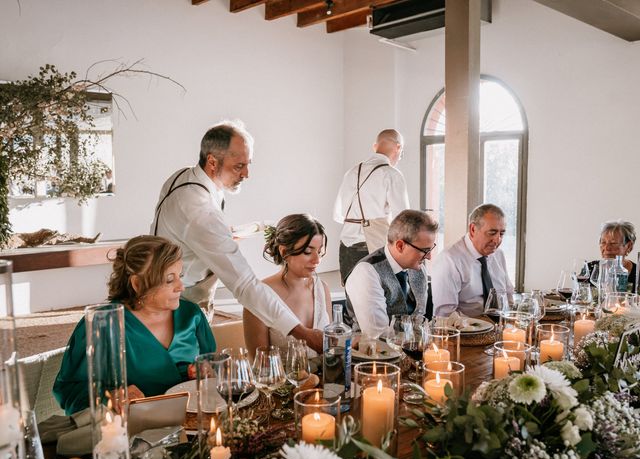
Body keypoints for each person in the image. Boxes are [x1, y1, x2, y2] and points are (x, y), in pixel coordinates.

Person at [150, 120, 322, 352]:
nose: (247, 174)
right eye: (239, 166)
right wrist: (303, 333)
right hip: (178, 305)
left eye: (248, 164)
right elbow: (245, 285)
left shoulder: (183, 177)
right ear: (212, 161)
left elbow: (186, 233)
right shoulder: (199, 209)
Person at [53, 235, 216, 415]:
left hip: (198, 421)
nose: (181, 286)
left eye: (180, 275)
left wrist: (207, 372)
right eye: (170, 279)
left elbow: (213, 366)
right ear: (137, 284)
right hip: (135, 431)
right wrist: (109, 397)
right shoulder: (103, 323)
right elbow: (68, 392)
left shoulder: (192, 315)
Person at [243, 214, 331, 358]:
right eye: (308, 252)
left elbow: (329, 352)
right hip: (280, 380)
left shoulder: (322, 289)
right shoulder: (259, 295)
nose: (317, 260)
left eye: (319, 251)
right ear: (284, 252)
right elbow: (259, 366)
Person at [333, 129, 410, 285]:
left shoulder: (351, 172)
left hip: (347, 245)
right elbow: (403, 219)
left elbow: (339, 213)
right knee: (385, 296)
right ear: (398, 147)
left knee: (353, 297)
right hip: (375, 244)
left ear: (375, 147)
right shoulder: (391, 174)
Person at [345, 210, 437, 339]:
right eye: (425, 250)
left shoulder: (418, 268)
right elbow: (377, 334)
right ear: (400, 246)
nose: (429, 257)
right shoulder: (366, 272)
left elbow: (419, 319)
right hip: (370, 354)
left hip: (410, 350)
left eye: (431, 249)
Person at [432, 204, 514, 318]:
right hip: (466, 331)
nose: (497, 240)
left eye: (502, 233)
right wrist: (481, 326)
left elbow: (509, 295)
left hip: (499, 326)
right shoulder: (449, 260)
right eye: (492, 233)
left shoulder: (498, 254)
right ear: (473, 229)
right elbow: (445, 315)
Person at [588, 220, 637, 292]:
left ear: (629, 246)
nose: (607, 248)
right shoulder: (590, 269)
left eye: (613, 243)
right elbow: (576, 297)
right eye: (603, 242)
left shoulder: (637, 274)